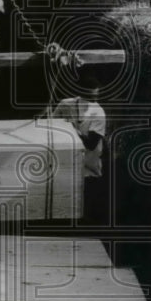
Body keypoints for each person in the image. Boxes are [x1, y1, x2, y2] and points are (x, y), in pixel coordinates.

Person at [50, 70, 107, 223]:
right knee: (71, 211)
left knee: (85, 210)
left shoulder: (98, 112)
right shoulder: (66, 104)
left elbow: (91, 143)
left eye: (95, 96)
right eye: (91, 96)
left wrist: (70, 129)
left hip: (88, 168)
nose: (94, 100)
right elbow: (51, 126)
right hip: (70, 167)